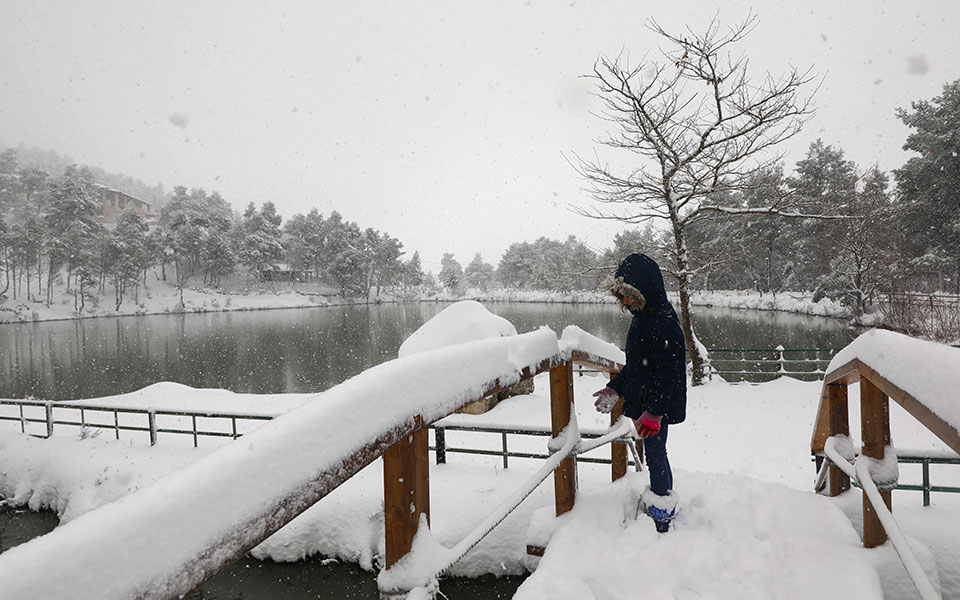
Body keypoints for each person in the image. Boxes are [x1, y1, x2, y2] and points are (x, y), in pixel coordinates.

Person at [592, 253, 687, 533]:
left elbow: (667, 372)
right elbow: (637, 366)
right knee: (656, 452)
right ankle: (662, 503)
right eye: (621, 296)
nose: (624, 302)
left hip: (655, 404)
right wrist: (615, 388)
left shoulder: (662, 320)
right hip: (648, 400)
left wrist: (654, 412)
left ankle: (662, 514)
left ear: (644, 289)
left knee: (656, 453)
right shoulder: (644, 316)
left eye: (628, 295)